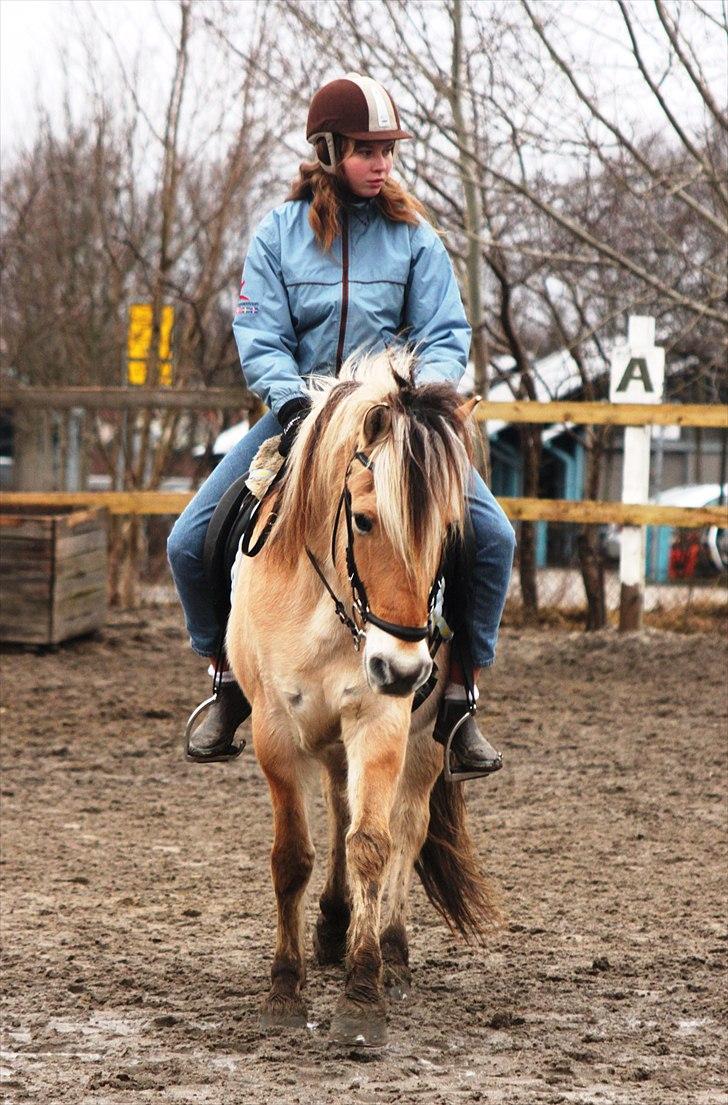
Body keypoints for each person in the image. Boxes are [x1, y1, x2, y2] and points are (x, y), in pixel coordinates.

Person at [167, 73, 516, 780]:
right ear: (327, 150)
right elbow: (259, 330)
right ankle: (227, 683)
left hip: (398, 425)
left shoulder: (415, 237)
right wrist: (294, 400)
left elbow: (446, 333)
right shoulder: (278, 235)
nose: (381, 161)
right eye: (365, 149)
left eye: (387, 149)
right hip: (300, 417)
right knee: (187, 541)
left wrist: (422, 399)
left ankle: (460, 694)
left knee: (493, 537)